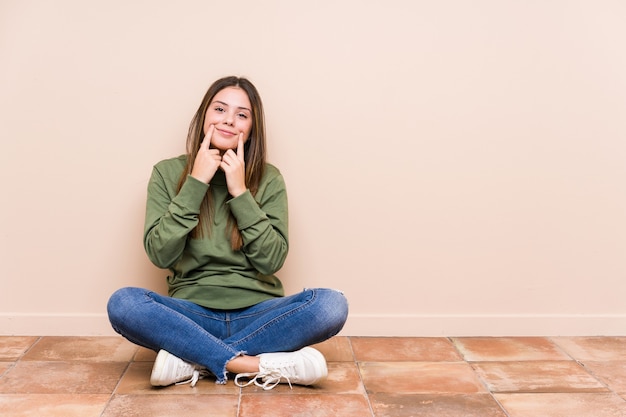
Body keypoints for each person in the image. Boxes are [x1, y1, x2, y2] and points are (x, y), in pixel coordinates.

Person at [107, 76, 348, 390]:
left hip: (261, 314)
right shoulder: (167, 173)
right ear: (204, 115)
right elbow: (159, 252)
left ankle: (193, 357)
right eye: (220, 109)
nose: (229, 120)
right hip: (191, 313)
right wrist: (196, 183)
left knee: (331, 305)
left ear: (251, 128)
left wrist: (240, 192)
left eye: (242, 114)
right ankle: (252, 364)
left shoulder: (269, 178)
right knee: (123, 303)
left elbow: (271, 261)